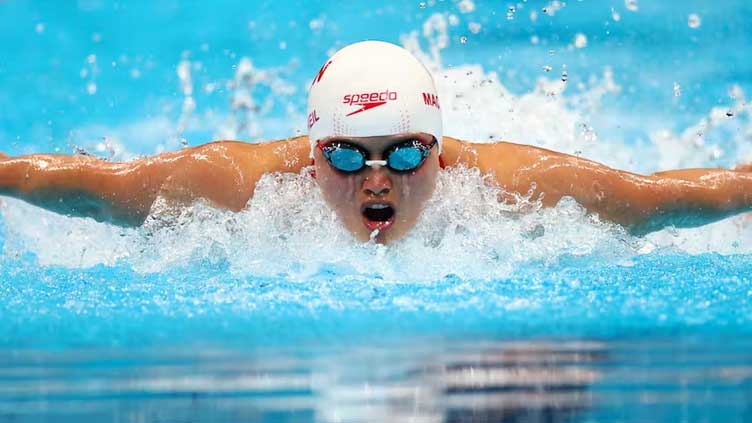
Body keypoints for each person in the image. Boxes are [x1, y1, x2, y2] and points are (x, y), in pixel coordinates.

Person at [1, 41, 751, 244]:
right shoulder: (235, 186)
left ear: (441, 149)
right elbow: (94, 186)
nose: (378, 180)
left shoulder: (510, 189)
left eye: (404, 152)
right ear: (312, 151)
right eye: (348, 155)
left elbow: (658, 198)